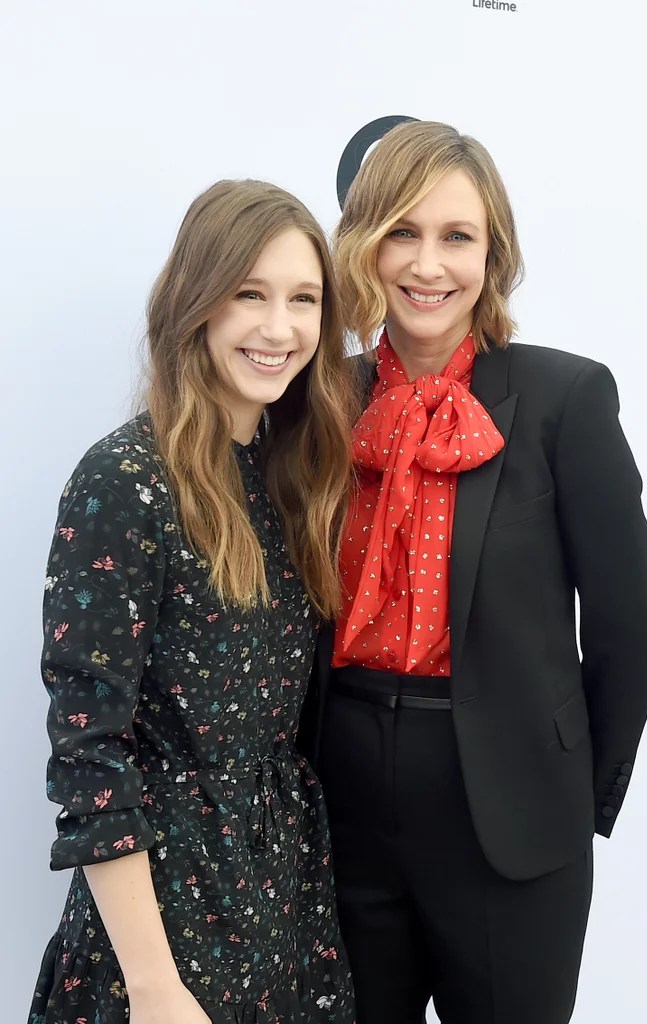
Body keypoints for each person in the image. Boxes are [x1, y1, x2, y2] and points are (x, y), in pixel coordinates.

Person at [302, 121, 647, 1024]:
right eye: (402, 232)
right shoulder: (315, 401)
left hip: (509, 812)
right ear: (363, 246)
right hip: (339, 799)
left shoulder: (565, 398)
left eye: (456, 237)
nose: (428, 265)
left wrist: (568, 791)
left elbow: (628, 627)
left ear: (491, 252)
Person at [29, 179, 357, 1024]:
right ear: (196, 303)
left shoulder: (287, 480)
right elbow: (90, 755)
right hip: (165, 919)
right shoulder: (125, 482)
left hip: (279, 893)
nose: (278, 327)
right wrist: (153, 986)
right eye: (249, 293)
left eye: (303, 299)